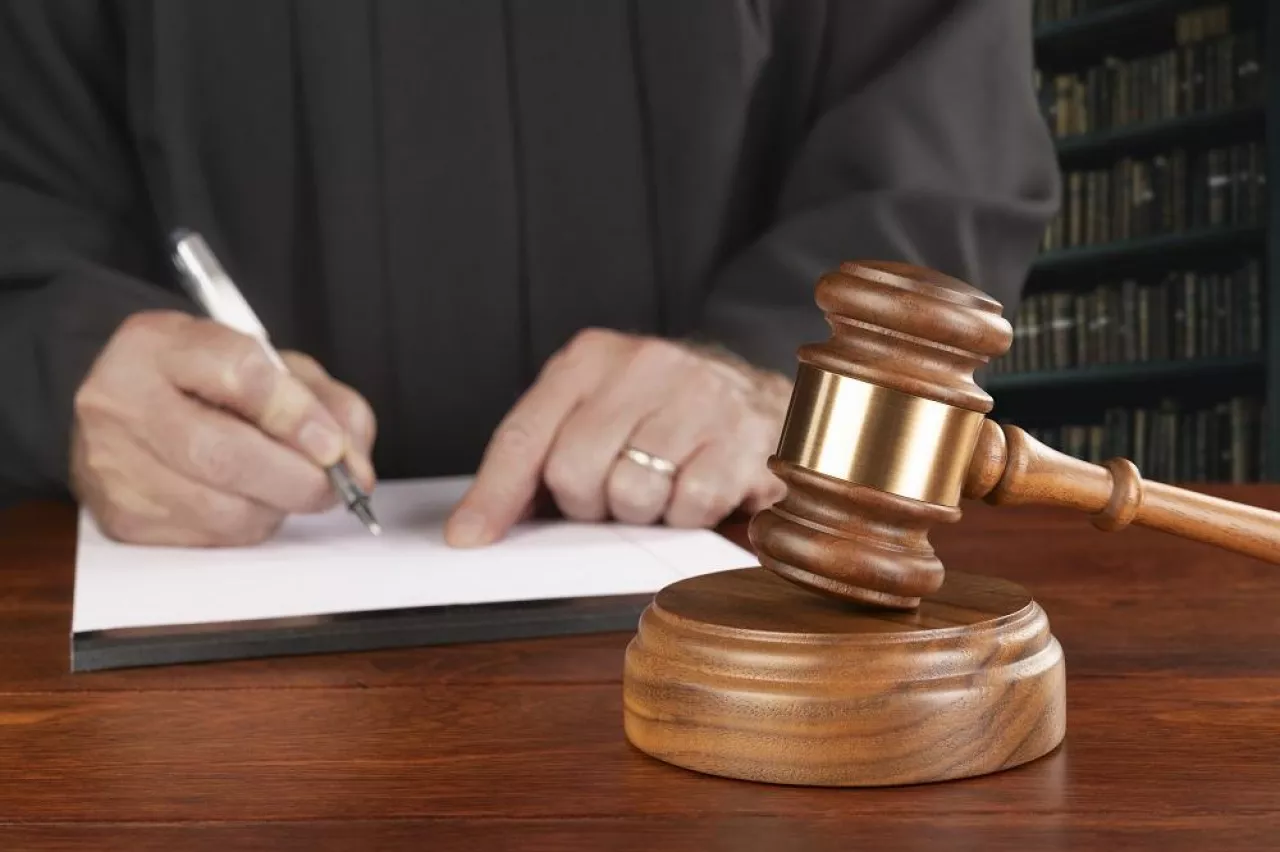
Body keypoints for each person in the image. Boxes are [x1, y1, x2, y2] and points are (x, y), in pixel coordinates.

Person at [0, 0, 1059, 548]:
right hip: (187, 665)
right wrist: (69, 373)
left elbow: (938, 158)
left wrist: (765, 371)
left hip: (735, 604)